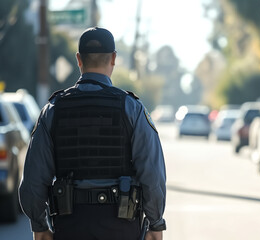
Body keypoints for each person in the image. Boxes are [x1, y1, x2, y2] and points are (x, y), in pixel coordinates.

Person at [19, 27, 166, 240]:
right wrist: (156, 222)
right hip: (122, 228)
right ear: (113, 58)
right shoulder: (131, 108)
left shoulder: (53, 110)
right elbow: (152, 174)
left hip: (70, 227)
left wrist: (39, 226)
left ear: (79, 59)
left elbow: (33, 180)